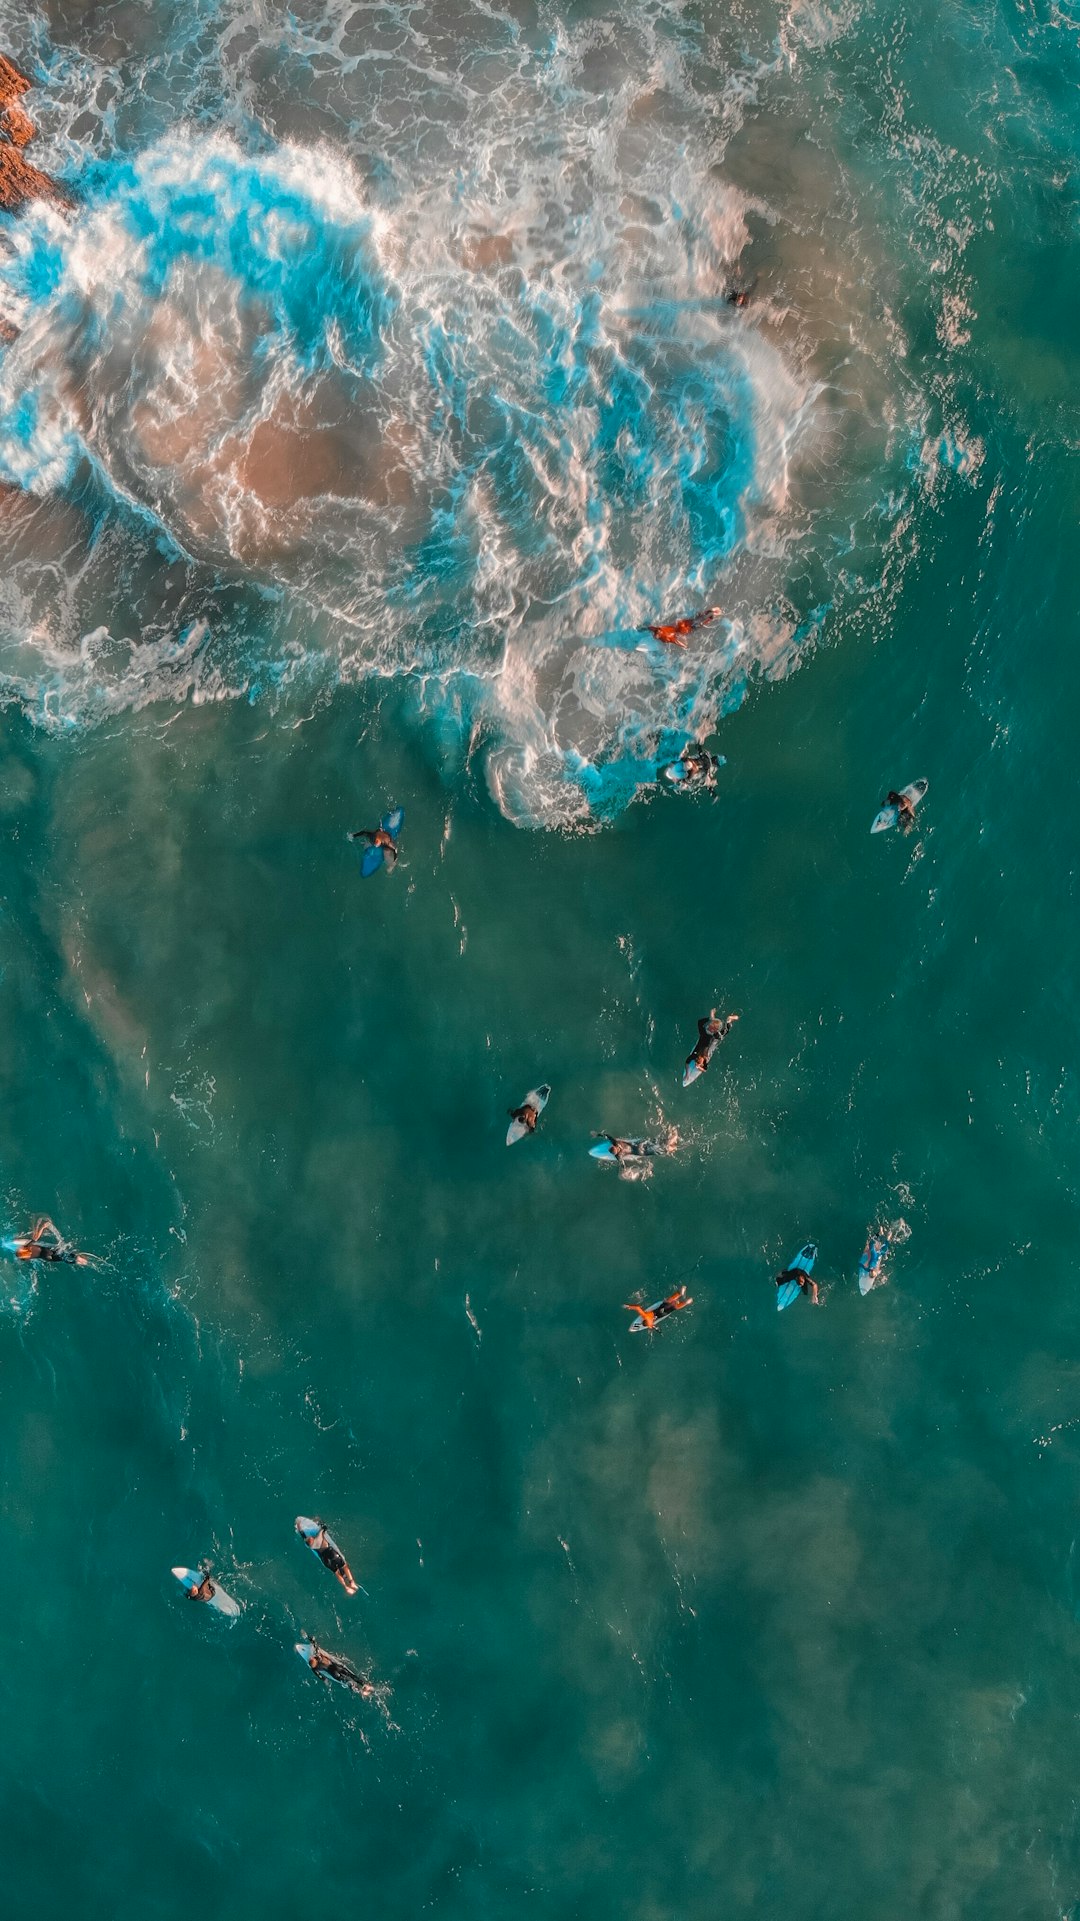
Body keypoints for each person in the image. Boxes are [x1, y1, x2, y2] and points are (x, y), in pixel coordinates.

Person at [298, 1519, 359, 1596]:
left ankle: (346, 1587)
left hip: (325, 1560)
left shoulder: (310, 1546)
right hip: (332, 1554)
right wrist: (318, 1521)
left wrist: (299, 1527)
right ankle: (352, 1582)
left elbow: (303, 1536)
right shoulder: (319, 1537)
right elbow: (324, 1527)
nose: (311, 1537)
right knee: (345, 1566)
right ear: (312, 1539)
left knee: (336, 1572)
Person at [306, 1638, 375, 1698]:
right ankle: (364, 1684)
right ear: (314, 1659)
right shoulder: (319, 1657)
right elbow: (315, 1645)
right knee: (351, 1675)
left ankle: (360, 1691)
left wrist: (325, 1680)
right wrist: (311, 1639)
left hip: (334, 1674)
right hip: (337, 1667)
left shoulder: (314, 1669)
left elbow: (321, 1677)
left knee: (348, 1682)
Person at [9, 1216, 91, 1266]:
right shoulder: (28, 1246)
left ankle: (79, 1261)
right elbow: (36, 1238)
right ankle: (80, 1259)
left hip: (48, 1257)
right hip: (47, 1251)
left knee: (63, 1259)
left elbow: (23, 1257)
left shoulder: (26, 1258)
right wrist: (43, 1227)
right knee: (65, 1254)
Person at [686, 1010, 739, 1077]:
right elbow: (705, 1069)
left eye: (697, 1061)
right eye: (699, 1062)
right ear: (703, 1062)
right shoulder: (704, 1059)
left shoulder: (695, 1054)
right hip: (711, 1038)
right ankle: (728, 1019)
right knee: (723, 1032)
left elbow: (687, 1062)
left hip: (707, 1037)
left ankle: (712, 1019)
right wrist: (698, 1068)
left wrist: (690, 1072)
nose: (697, 1061)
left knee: (701, 1024)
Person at [640, 605, 722, 648]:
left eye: (656, 635)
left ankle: (711, 618)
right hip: (681, 624)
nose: (655, 636)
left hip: (683, 630)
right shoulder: (658, 629)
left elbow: (676, 641)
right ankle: (710, 611)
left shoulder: (666, 638)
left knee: (699, 625)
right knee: (696, 619)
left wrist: (684, 646)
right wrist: (645, 627)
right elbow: (651, 627)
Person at [623, 1285, 693, 1330]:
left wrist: (655, 1328)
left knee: (675, 1307)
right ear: (643, 1320)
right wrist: (628, 1306)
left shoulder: (650, 1325)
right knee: (668, 1301)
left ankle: (687, 1302)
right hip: (658, 1310)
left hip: (662, 1314)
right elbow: (638, 1308)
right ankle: (680, 1293)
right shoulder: (645, 1316)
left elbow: (652, 1327)